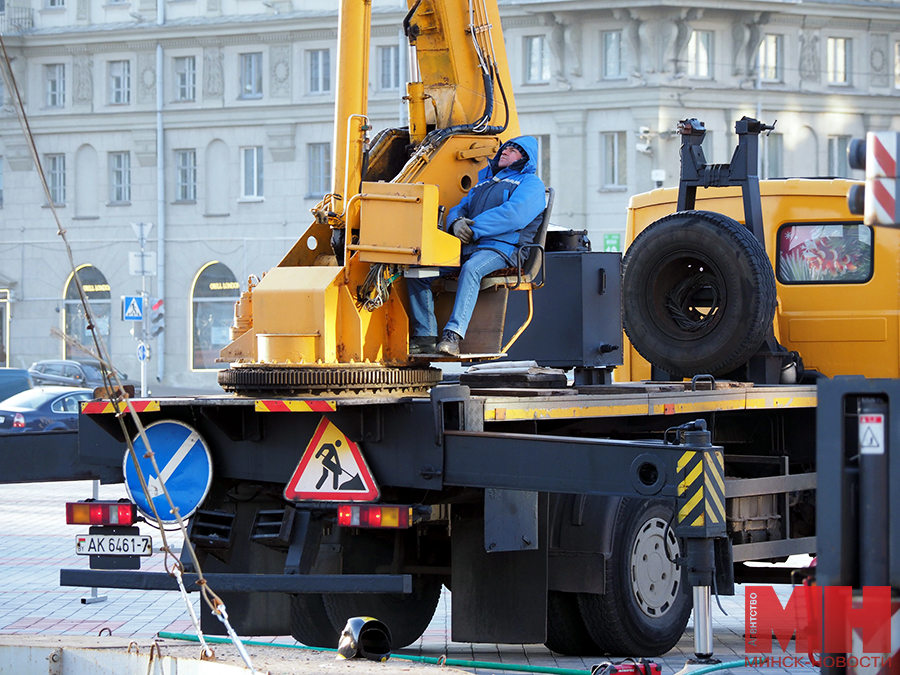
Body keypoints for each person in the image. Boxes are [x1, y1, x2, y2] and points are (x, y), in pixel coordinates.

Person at [407, 135, 546, 356]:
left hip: (503, 249)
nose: (505, 151)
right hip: (470, 249)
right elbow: (460, 208)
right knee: (417, 272)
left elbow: (514, 215)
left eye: (514, 149)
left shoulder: (531, 184)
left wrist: (474, 228)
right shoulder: (484, 183)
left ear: (525, 158)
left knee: (472, 268)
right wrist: (456, 222)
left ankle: (453, 336)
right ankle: (425, 336)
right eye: (505, 147)